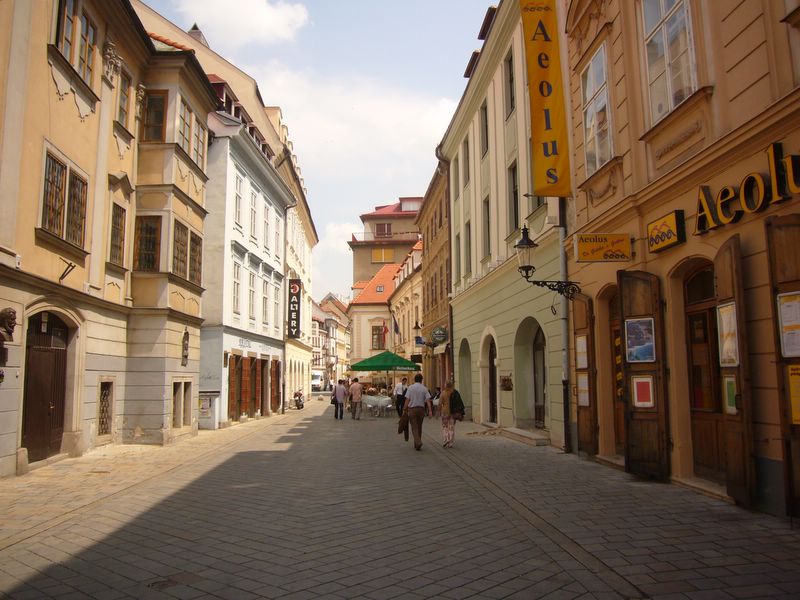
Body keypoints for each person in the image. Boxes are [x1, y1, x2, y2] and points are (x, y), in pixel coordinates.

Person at [402, 373, 432, 451]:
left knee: (414, 427)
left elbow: (407, 399)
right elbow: (428, 400)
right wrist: (430, 411)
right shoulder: (424, 388)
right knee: (419, 426)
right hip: (421, 410)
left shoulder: (410, 388)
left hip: (412, 410)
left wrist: (404, 408)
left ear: (414, 380)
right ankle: (417, 444)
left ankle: (418, 442)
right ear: (421, 380)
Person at [439, 381, 465, 448]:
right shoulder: (455, 393)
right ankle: (450, 442)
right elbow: (460, 403)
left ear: (446, 386)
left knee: (445, 427)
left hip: (445, 412)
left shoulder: (443, 393)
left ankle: (446, 439)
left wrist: (438, 411)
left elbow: (440, 403)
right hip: (452, 413)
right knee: (451, 427)